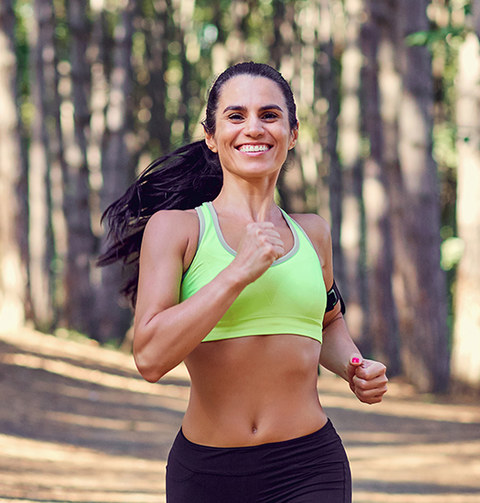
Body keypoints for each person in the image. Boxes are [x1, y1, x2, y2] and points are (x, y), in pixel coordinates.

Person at [99, 62, 389, 502]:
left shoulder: (312, 233)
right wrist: (237, 272)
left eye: (269, 115)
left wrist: (355, 367)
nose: (253, 128)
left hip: (310, 468)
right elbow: (151, 358)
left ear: (292, 134)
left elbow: (328, 323)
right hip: (207, 473)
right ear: (212, 137)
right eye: (236, 116)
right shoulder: (178, 229)